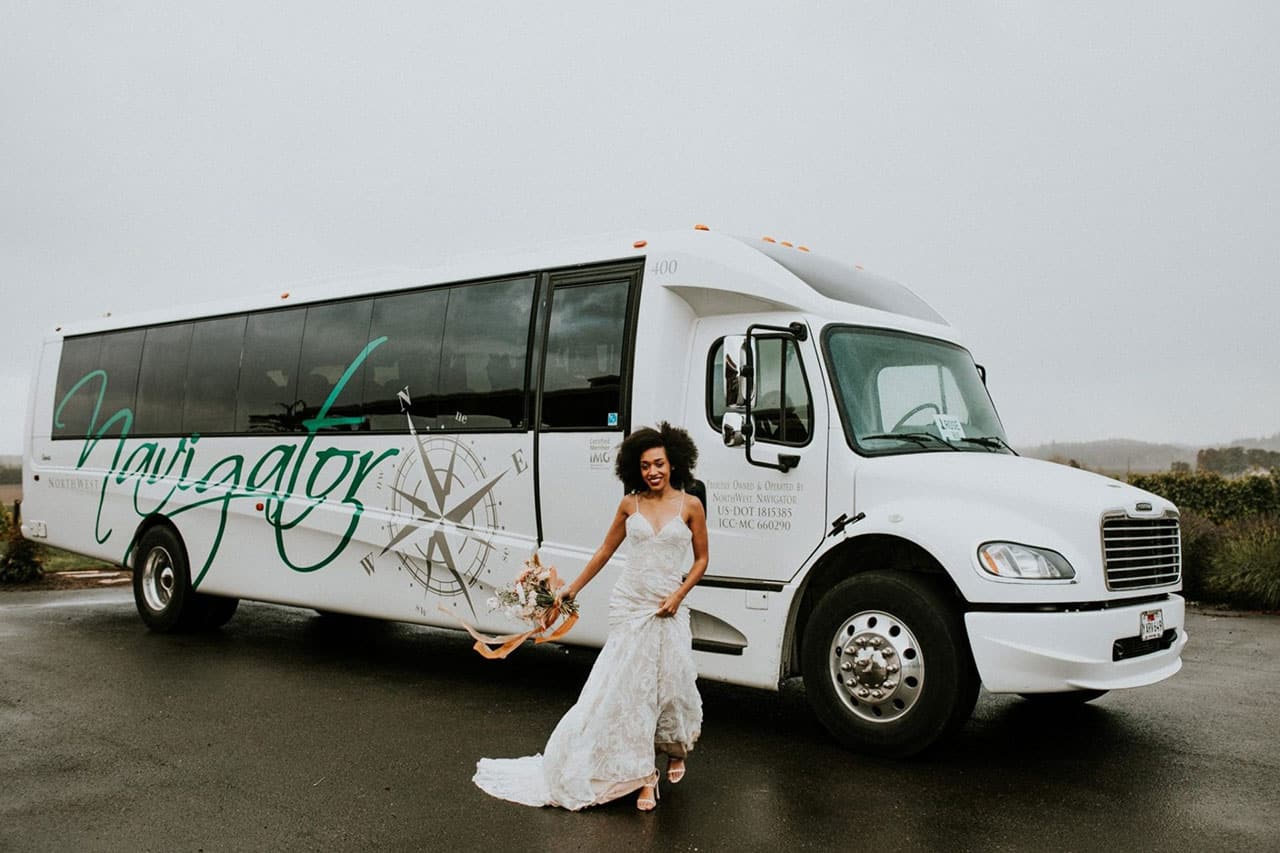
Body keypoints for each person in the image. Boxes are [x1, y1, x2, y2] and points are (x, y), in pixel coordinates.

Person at [473, 422, 708, 811]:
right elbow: (604, 551)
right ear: (636, 469)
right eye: (646, 465)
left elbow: (701, 559)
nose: (653, 472)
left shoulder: (691, 505)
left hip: (667, 606)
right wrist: (572, 589)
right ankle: (644, 776)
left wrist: (679, 595)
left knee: (671, 683)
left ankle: (674, 749)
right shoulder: (629, 505)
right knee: (628, 691)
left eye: (660, 464)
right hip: (630, 604)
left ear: (674, 463)